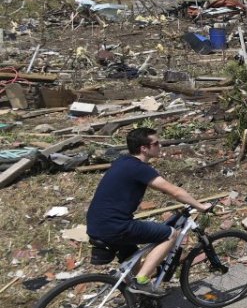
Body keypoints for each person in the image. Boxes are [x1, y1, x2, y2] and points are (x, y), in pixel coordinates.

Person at [86, 126, 212, 297]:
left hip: (96, 224)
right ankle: (141, 281)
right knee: (170, 234)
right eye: (156, 143)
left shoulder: (123, 162)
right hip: (116, 226)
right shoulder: (139, 168)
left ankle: (139, 297)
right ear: (144, 148)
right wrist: (200, 206)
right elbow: (174, 192)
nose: (160, 146)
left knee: (133, 256)